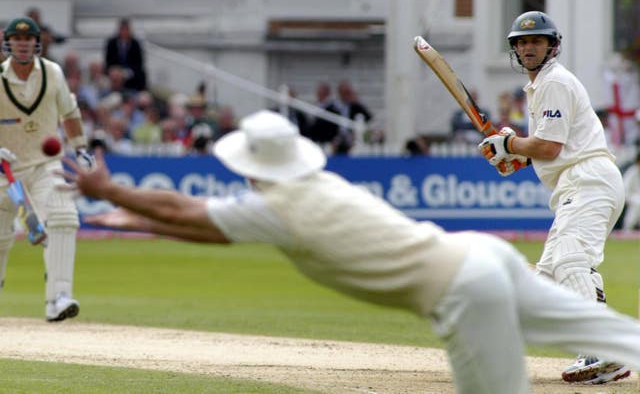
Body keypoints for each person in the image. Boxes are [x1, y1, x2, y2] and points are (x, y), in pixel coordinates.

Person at [60, 110, 640, 394]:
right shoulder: (315, 188)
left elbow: (190, 213)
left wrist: (110, 191)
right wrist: (133, 218)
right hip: (483, 258)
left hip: (465, 292)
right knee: (619, 335)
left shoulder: (280, 211)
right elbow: (204, 226)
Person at [478, 11, 627, 383]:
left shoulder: (554, 81)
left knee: (570, 262)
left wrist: (509, 143)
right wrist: (515, 155)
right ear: (515, 49)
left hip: (589, 180)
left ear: (551, 46)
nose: (529, 47)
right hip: (575, 184)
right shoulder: (541, 87)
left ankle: (605, 350)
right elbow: (546, 149)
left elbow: (548, 146)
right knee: (542, 283)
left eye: (536, 41)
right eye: (522, 42)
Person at [0, 17, 94, 321]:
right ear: (9, 43)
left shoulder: (53, 72)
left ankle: (58, 298)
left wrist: (80, 146)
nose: (23, 44)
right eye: (17, 39)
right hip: (4, 170)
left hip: (44, 165)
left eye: (28, 40)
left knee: (64, 218)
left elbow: (69, 111)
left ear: (37, 43)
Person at [104, 18, 147, 91]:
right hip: (115, 71)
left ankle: (126, 92)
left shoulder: (135, 44)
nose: (124, 32)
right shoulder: (111, 43)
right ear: (119, 30)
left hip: (131, 73)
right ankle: (116, 90)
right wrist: (115, 70)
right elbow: (108, 61)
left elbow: (138, 64)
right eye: (122, 29)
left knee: (137, 77)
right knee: (113, 75)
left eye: (126, 29)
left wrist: (125, 72)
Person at [622, 153, 640, 232]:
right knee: (638, 202)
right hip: (629, 196)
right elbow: (624, 189)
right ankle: (627, 228)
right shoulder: (632, 171)